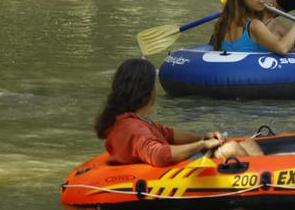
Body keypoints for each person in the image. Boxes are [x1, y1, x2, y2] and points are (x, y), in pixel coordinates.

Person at [96, 59, 263, 166]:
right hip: (162, 173)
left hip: (165, 164)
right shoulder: (133, 128)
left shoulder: (130, 120)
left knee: (249, 143)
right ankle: (263, 183)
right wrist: (201, 145)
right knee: (232, 148)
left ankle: (267, 175)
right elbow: (159, 155)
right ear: (144, 92)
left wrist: (203, 137)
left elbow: (168, 134)